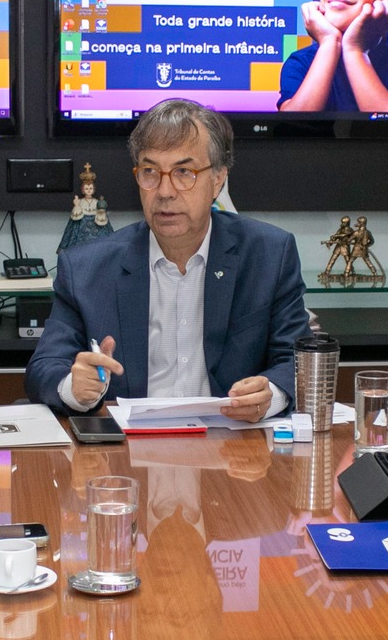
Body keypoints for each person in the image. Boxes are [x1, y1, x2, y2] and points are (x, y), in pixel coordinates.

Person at [26, 99, 307, 424]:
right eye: (150, 172)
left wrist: (270, 393)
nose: (164, 191)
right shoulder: (87, 269)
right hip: (126, 456)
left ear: (218, 179)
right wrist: (73, 388)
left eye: (183, 172)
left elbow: (296, 359)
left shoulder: (269, 255)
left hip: (232, 450)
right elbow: (44, 367)